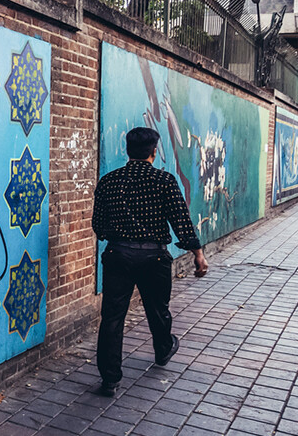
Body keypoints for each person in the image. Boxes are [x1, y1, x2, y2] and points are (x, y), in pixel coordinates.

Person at [91, 127, 208, 397]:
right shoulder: (164, 181)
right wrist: (197, 254)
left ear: (128, 151)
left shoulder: (109, 181)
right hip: (154, 257)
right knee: (158, 309)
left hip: (118, 255)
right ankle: (164, 349)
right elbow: (180, 220)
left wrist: (117, 235)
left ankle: (110, 380)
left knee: (111, 318)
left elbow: (99, 225)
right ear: (154, 152)